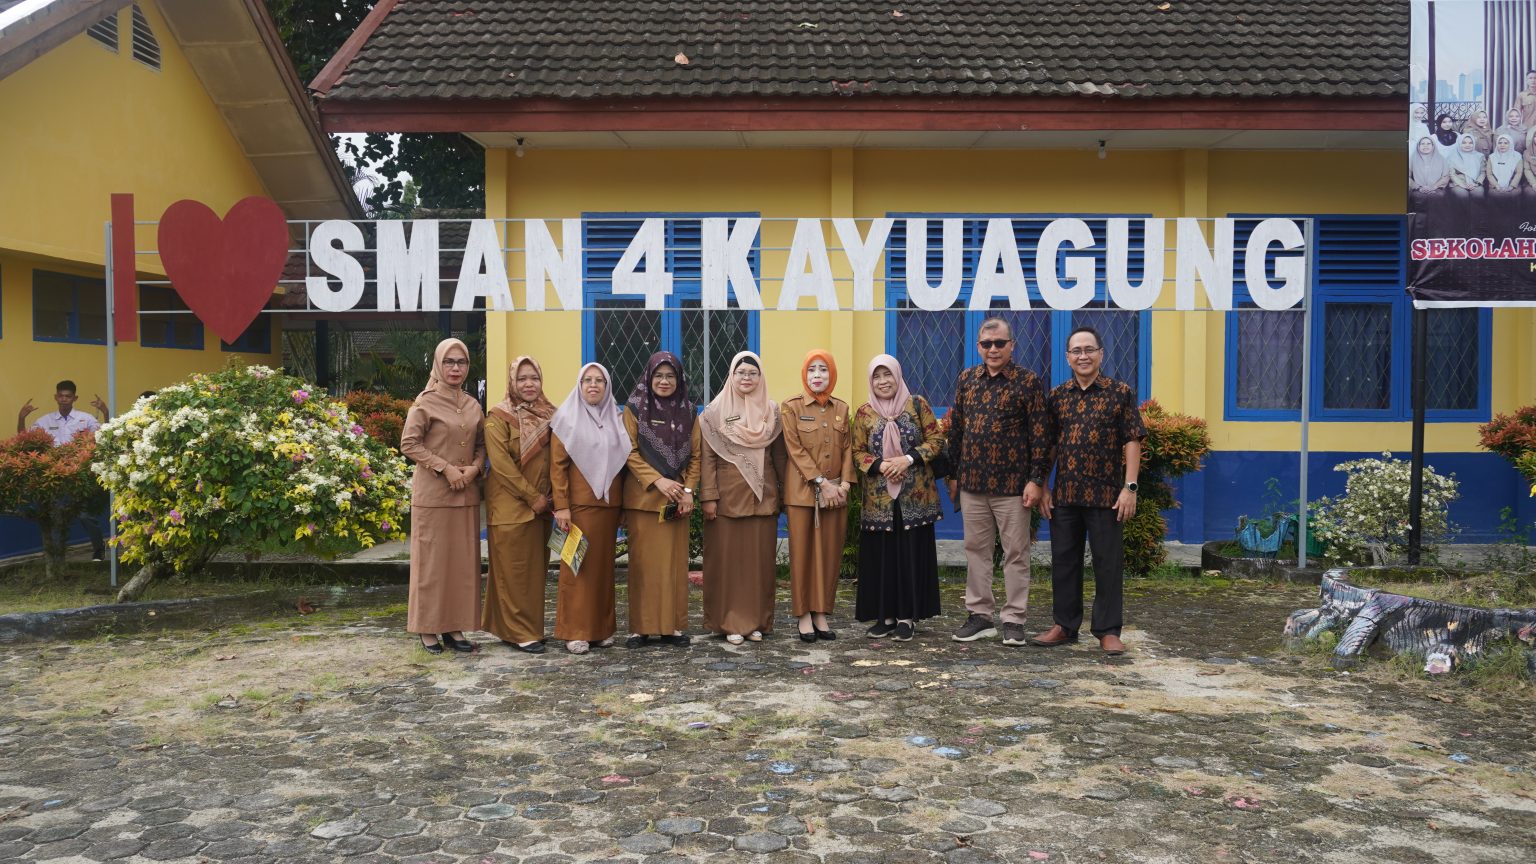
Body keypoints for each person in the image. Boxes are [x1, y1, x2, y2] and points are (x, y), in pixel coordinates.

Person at [1030, 326, 1146, 656]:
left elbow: (1132, 439)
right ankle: (1064, 626)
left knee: (1108, 564)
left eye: (1089, 349)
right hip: (1065, 495)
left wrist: (1130, 488)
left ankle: (1108, 630)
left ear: (1100, 354)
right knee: (1064, 563)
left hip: (1106, 496)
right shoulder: (1057, 396)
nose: (1083, 356)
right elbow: (1050, 445)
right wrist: (1044, 486)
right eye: (1076, 351)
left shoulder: (1119, 393)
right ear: (1068, 357)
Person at [945, 318, 1049, 646]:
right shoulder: (967, 379)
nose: (993, 349)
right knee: (976, 551)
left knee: (1015, 553)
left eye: (999, 343)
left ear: (1011, 345)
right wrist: (952, 475)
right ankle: (980, 616)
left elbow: (1040, 435)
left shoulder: (1028, 382)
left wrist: (1036, 480)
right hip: (972, 484)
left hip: (1013, 488)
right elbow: (956, 429)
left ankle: (1014, 619)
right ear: (978, 346)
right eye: (987, 344)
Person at [399, 338, 486, 655]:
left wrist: (475, 469)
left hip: (465, 495)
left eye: (461, 362)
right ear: (438, 364)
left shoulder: (473, 405)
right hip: (434, 495)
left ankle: (454, 626)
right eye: (449, 362)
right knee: (432, 564)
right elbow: (409, 444)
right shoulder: (425, 402)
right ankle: (427, 628)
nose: (455, 368)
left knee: (460, 565)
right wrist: (445, 468)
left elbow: (481, 445)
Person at [851, 355, 945, 642]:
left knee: (909, 555)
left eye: (887, 375)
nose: (883, 381)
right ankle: (886, 617)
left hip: (915, 497)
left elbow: (936, 440)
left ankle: (906, 617)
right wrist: (881, 465)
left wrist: (907, 459)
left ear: (898, 376)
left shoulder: (916, 404)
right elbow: (856, 452)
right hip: (879, 500)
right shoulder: (864, 413)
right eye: (877, 376)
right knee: (883, 557)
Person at [699, 351, 786, 645]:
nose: (746, 378)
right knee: (728, 564)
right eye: (741, 372)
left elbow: (779, 458)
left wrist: (784, 495)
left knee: (759, 565)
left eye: (753, 372)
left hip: (764, 497)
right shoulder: (713, 413)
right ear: (731, 376)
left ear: (760, 377)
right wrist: (708, 497)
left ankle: (757, 621)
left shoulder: (772, 412)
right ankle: (730, 622)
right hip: (726, 499)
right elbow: (708, 459)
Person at [621, 351, 701, 649]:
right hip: (643, 499)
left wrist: (688, 491)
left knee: (673, 566)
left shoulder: (689, 411)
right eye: (658, 375)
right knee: (643, 566)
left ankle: (671, 627)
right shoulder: (633, 408)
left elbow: (697, 456)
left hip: (677, 501)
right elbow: (628, 451)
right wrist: (658, 480)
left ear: (679, 380)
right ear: (649, 377)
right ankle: (641, 628)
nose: (664, 381)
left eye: (670, 376)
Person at [550, 362, 631, 655]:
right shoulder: (566, 419)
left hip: (609, 506)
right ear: (580, 385)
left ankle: (601, 629)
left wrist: (623, 506)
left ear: (607, 386)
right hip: (578, 507)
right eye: (588, 380)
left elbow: (624, 466)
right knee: (576, 567)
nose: (594, 385)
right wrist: (561, 506)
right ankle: (575, 631)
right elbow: (557, 467)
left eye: (599, 381)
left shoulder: (617, 419)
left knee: (603, 570)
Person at [482, 356, 557, 654]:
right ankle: (520, 632)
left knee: (534, 573)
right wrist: (532, 497)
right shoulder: (498, 417)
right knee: (513, 572)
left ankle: (524, 629)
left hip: (542, 508)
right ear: (512, 382)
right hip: (512, 507)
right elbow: (502, 466)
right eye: (522, 379)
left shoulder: (551, 414)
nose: (529, 384)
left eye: (534, 378)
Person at [780, 349, 853, 642]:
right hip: (802, 494)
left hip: (836, 494)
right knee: (802, 555)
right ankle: (803, 615)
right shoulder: (791, 407)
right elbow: (794, 449)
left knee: (829, 554)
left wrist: (844, 485)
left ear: (831, 374)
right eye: (812, 370)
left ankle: (821, 612)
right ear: (804, 374)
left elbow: (848, 448)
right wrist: (822, 482)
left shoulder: (842, 408)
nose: (817, 375)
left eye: (823, 369)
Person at [16, 380, 111, 561]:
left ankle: (99, 549)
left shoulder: (86, 419)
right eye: (61, 396)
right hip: (53, 475)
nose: (64, 399)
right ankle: (55, 557)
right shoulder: (45, 421)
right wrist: (21, 418)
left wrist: (106, 413)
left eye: (68, 396)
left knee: (85, 515)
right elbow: (25, 440)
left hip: (80, 473)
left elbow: (105, 437)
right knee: (52, 514)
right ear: (56, 397)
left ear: (75, 398)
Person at [1408, 136, 1451, 214]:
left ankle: (1434, 220)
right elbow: (1407, 177)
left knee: (1437, 197)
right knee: (1418, 197)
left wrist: (1434, 187)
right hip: (1418, 189)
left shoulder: (1441, 158)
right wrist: (1418, 187)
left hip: (1437, 189)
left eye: (1428, 143)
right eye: (1422, 144)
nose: (1425, 146)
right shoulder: (1412, 158)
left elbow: (1446, 176)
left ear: (1433, 145)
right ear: (1418, 146)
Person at [1510, 70, 1536, 149]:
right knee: (1528, 150)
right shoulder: (1522, 95)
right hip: (1528, 129)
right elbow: (1515, 114)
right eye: (1530, 78)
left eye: (1535, 78)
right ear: (1527, 80)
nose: (1533, 80)